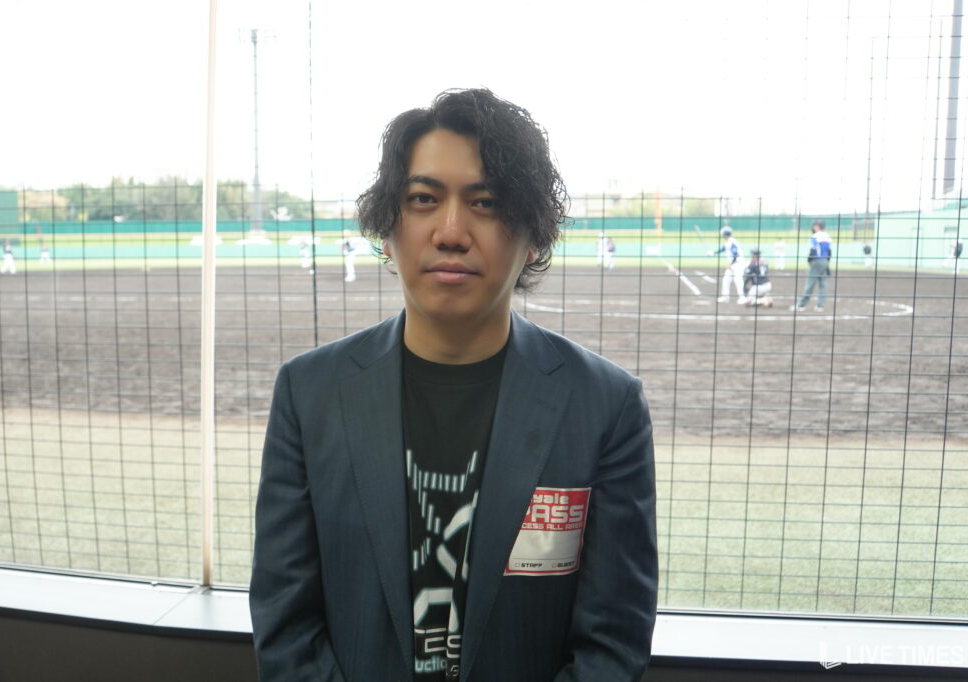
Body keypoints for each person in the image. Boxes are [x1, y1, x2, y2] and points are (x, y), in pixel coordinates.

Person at [250, 88, 658, 682]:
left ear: (534, 235)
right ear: (388, 228)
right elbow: (285, 624)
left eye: (486, 202)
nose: (450, 231)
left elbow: (613, 642)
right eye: (422, 199)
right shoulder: (309, 393)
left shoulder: (606, 406)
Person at [792, 219, 832, 312]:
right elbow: (829, 251)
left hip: (816, 261)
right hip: (825, 260)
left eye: (814, 226)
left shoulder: (815, 236)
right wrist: (826, 263)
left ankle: (801, 305)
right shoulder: (827, 236)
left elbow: (813, 250)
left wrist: (809, 260)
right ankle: (820, 306)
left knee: (809, 284)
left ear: (817, 226)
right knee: (823, 284)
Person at [711, 225, 746, 304]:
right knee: (726, 280)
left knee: (738, 280)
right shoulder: (727, 242)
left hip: (738, 264)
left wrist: (731, 264)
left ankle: (742, 297)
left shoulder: (732, 242)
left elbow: (735, 255)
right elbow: (722, 249)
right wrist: (713, 253)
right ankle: (725, 297)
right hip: (733, 264)